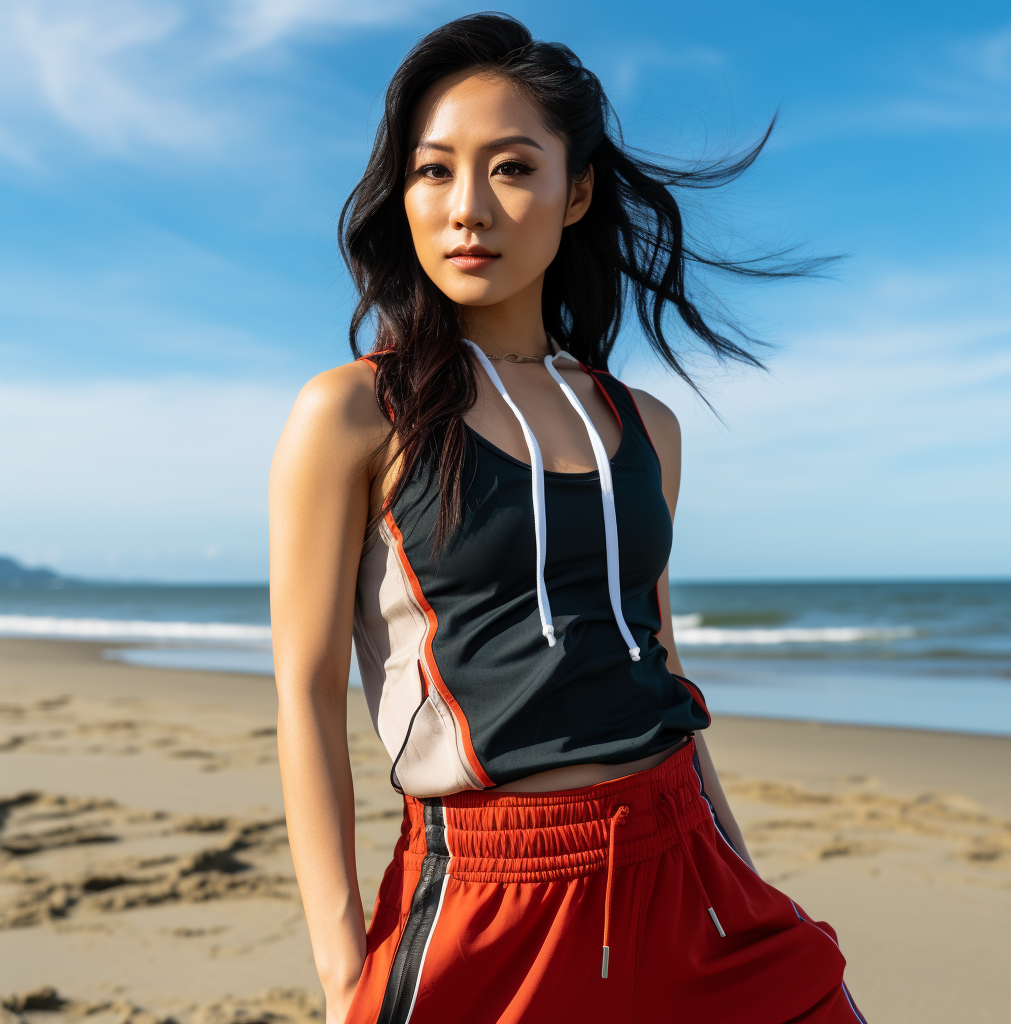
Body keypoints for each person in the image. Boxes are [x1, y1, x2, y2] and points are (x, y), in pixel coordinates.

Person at [269, 13, 865, 1024]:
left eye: (509, 168)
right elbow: (308, 686)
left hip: (688, 867)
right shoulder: (355, 412)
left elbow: (660, 657)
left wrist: (741, 874)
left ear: (574, 191)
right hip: (487, 896)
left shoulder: (647, 427)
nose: (467, 209)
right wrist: (338, 966)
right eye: (432, 172)